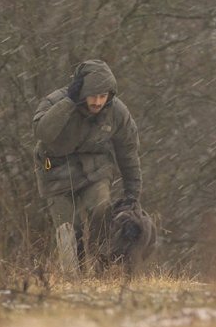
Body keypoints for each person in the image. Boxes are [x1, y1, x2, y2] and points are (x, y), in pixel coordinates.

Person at [32, 59, 142, 275]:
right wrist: (69, 103)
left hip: (95, 168)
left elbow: (128, 152)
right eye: (93, 95)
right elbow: (42, 133)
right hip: (54, 169)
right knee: (68, 228)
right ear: (81, 91)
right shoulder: (57, 101)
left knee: (101, 207)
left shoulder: (117, 112)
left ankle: (102, 263)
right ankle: (72, 275)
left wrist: (132, 194)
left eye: (103, 96)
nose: (98, 101)